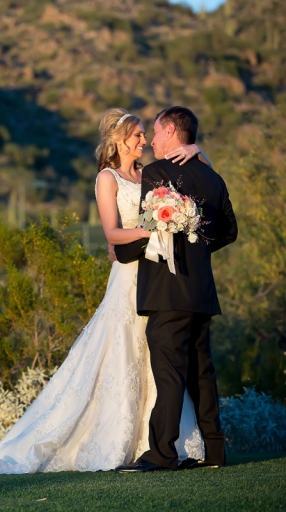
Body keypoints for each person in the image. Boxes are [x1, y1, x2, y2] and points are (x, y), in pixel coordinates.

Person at [0, 108, 208, 474]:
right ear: (119, 140)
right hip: (129, 276)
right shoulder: (107, 178)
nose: (144, 141)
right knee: (123, 353)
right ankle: (116, 439)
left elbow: (196, 173)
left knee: (156, 359)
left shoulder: (151, 174)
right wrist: (153, 231)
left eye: (146, 135)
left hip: (156, 277)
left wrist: (197, 151)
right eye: (138, 136)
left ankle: (156, 443)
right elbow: (112, 234)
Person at [113, 106, 237, 472]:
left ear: (170, 131)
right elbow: (229, 231)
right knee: (202, 373)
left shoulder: (157, 172)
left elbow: (153, 228)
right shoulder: (213, 178)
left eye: (155, 132)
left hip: (167, 291)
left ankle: (161, 453)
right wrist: (198, 250)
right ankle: (215, 452)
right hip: (201, 291)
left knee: (168, 373)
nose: (151, 140)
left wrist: (122, 251)